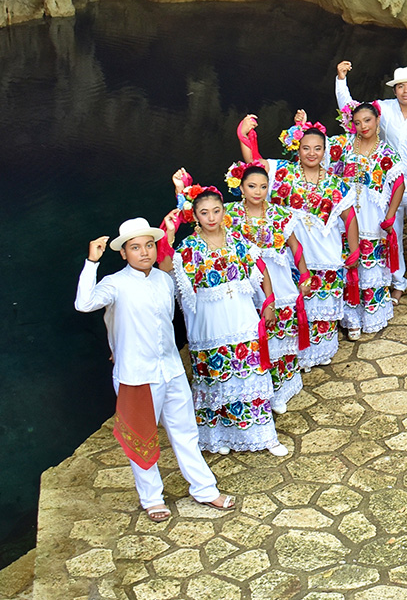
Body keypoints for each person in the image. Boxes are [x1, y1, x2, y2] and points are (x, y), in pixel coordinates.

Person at [76, 215, 236, 522]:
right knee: (143, 436)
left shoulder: (164, 280)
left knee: (186, 432)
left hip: (171, 369)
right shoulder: (114, 284)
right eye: (135, 248)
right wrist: (91, 262)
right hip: (137, 374)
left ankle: (204, 489)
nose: (144, 252)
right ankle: (152, 499)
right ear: (123, 253)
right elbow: (85, 305)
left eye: (149, 245)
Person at [168, 174, 289, 455]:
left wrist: (268, 303)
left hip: (241, 316)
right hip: (209, 323)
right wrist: (171, 234)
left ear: (224, 211)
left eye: (216, 211)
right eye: (204, 212)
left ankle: (265, 436)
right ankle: (222, 437)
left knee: (250, 373)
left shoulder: (237, 241)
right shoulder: (187, 250)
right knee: (217, 376)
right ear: (195, 216)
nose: (211, 217)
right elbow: (165, 270)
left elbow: (261, 267)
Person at [236, 112, 361, 372]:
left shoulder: (337, 184)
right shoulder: (284, 172)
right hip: (293, 258)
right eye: (306, 148)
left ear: (325, 151)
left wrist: (355, 248)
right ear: (299, 149)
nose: (311, 153)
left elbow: (350, 218)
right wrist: (243, 133)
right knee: (297, 309)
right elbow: (253, 166)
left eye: (317, 148)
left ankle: (321, 353)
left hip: (326, 255)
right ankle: (298, 357)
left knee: (322, 310)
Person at [336, 61, 407, 311]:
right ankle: (398, 283)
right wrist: (341, 80)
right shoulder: (382, 110)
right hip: (387, 189)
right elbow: (350, 110)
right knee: (390, 237)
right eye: (400, 87)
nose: (405, 91)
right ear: (394, 90)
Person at [220, 162, 310, 414]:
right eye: (251, 186)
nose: (257, 192)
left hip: (279, 281)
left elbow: (295, 245)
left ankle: (281, 390)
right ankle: (259, 391)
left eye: (263, 186)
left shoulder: (280, 215)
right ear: (241, 188)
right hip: (247, 281)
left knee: (280, 334)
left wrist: (304, 274)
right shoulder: (229, 215)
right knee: (255, 337)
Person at [329, 101, 407, 335]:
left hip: (373, 216)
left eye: (367, 120)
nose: (363, 126)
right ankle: (352, 319)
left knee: (370, 265)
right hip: (346, 215)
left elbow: (399, 183)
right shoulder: (343, 146)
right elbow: (318, 152)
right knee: (349, 262)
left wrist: (391, 216)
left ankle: (373, 315)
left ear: (377, 121)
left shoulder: (386, 152)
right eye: (357, 122)